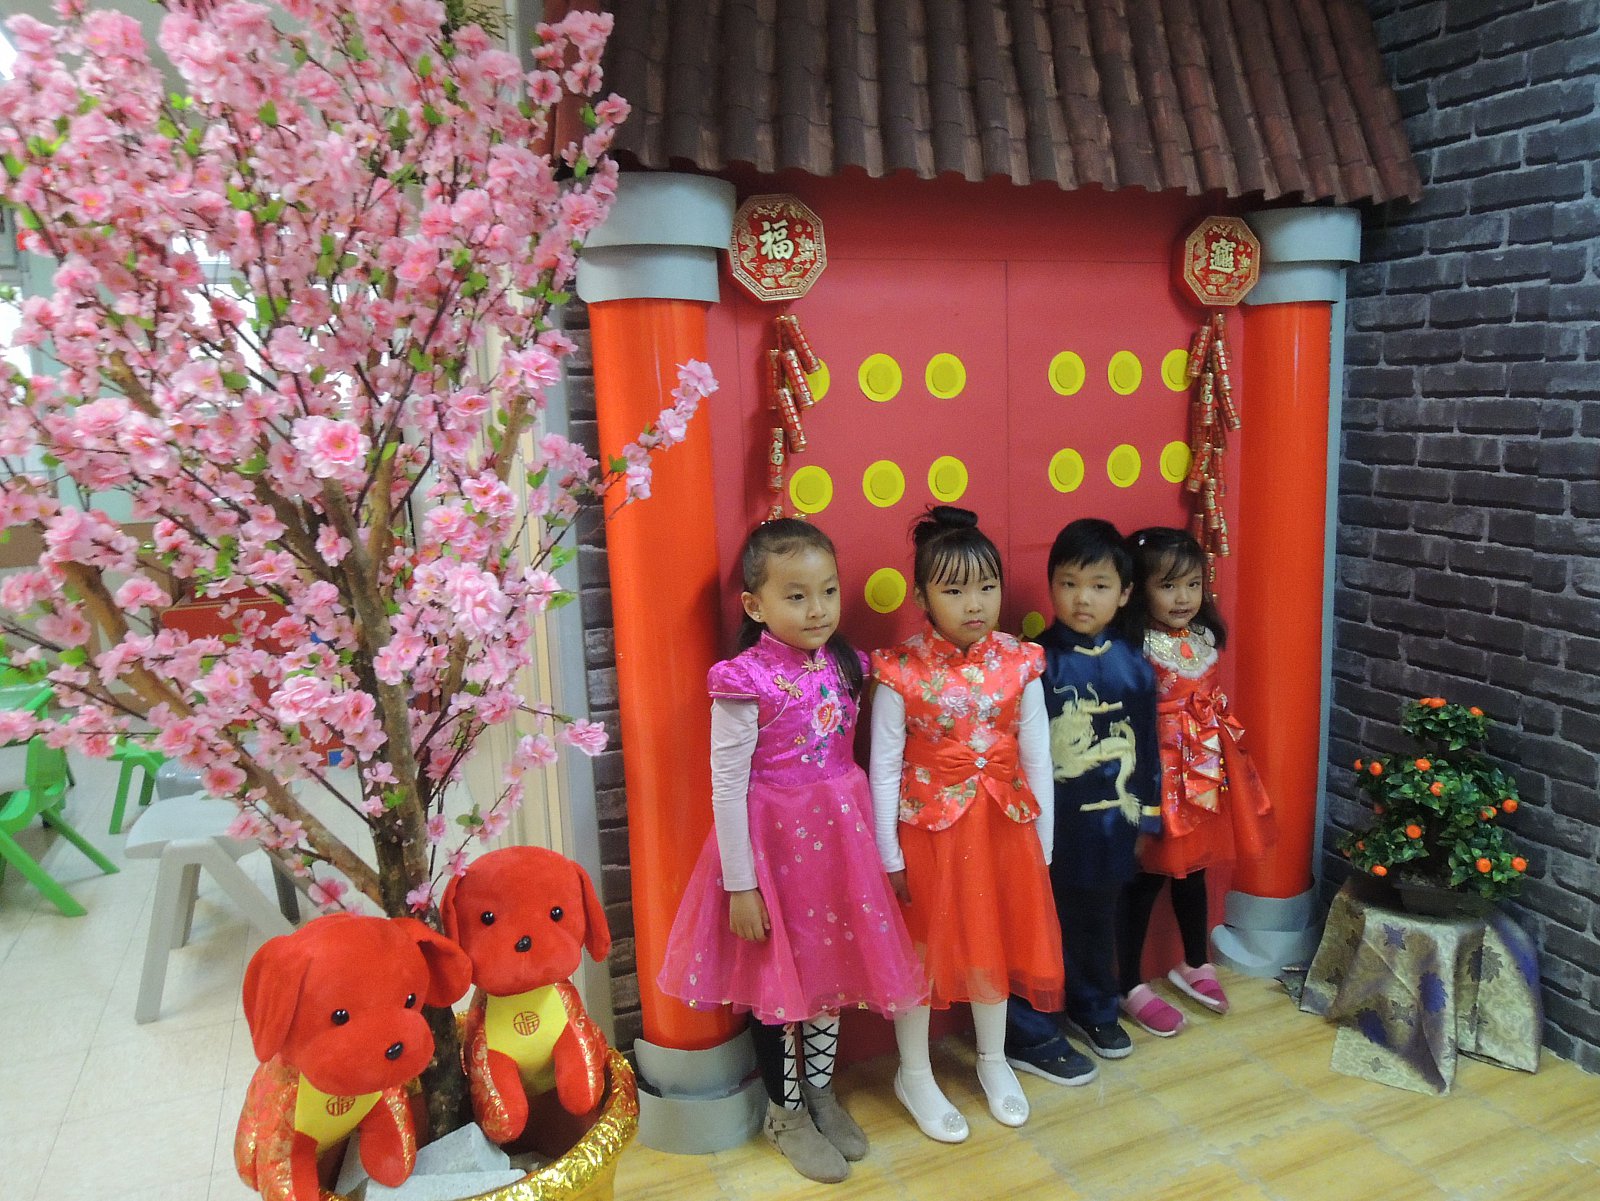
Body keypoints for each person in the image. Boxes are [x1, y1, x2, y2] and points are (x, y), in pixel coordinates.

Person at [658, 519, 926, 1184]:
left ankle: (820, 1090)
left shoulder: (847, 663)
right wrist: (741, 885)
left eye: (828, 591)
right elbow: (727, 788)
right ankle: (786, 1112)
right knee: (777, 989)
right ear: (755, 605)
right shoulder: (744, 679)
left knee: (828, 978)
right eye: (797, 596)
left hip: (839, 852)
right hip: (771, 857)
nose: (817, 609)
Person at [869, 506, 1062, 1144]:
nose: (974, 603)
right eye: (953, 590)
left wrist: (1044, 844)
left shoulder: (1022, 662)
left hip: (1005, 828)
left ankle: (992, 1058)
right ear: (921, 595)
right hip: (927, 835)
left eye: (987, 586)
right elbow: (882, 768)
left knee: (994, 940)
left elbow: (1038, 755)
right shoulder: (899, 669)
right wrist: (889, 855)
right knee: (919, 952)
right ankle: (914, 1072)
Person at [1006, 518, 1161, 1072]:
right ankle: (1031, 1025)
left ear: (1124, 593)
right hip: (1050, 823)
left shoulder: (1136, 667)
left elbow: (1148, 747)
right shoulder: (1032, 663)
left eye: (1098, 586)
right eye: (1068, 583)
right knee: (1038, 922)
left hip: (1113, 823)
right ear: (1051, 585)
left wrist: (1148, 818)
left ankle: (1095, 1007)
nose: (1082, 598)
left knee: (1098, 919)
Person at [1114, 527, 1276, 1034]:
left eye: (1192, 584)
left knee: (1196, 869)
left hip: (1204, 770)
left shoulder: (1202, 637)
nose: (1183, 597)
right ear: (1138, 589)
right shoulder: (1135, 646)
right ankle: (1126, 981)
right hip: (1157, 774)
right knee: (1145, 878)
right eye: (1168, 586)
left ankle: (1195, 959)